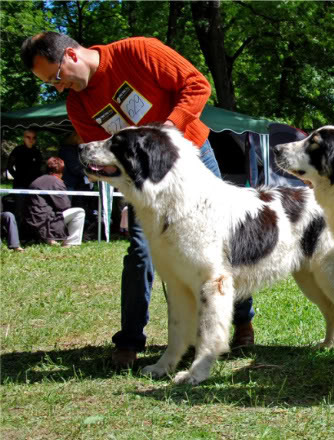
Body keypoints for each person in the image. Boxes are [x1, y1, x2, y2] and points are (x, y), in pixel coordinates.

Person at [21, 31, 256, 368]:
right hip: (144, 185)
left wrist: (167, 132)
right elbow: (104, 160)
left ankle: (242, 320)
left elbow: (196, 85)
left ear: (71, 55)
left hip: (191, 158)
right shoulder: (78, 104)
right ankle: (130, 340)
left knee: (220, 246)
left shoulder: (138, 52)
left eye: (56, 77)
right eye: (50, 84)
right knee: (141, 251)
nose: (57, 88)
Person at [23, 157, 85, 246]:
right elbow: (64, 206)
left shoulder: (37, 180)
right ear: (62, 170)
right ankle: (71, 243)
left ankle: (49, 240)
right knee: (80, 212)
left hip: (30, 223)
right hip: (46, 223)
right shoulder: (56, 182)